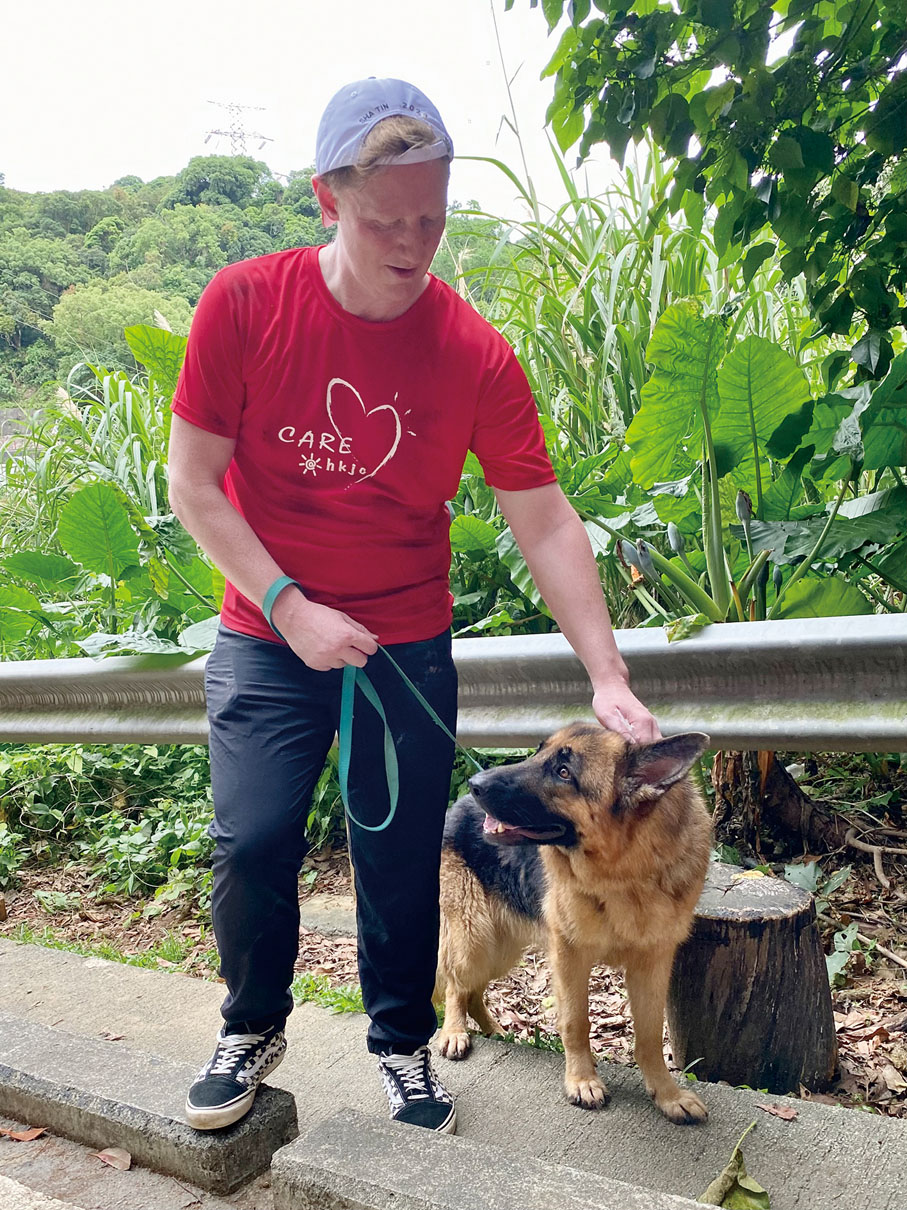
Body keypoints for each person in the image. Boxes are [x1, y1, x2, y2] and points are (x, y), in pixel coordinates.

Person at [167, 77, 659, 1137]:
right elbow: (194, 484)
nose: (411, 244)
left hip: (401, 642)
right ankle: (250, 1027)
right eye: (386, 221)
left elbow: (544, 519)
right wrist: (290, 605)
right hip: (268, 631)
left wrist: (606, 674)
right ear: (327, 198)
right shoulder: (246, 304)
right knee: (252, 841)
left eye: (430, 220)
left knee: (397, 856)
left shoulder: (471, 351)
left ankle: (400, 1042)